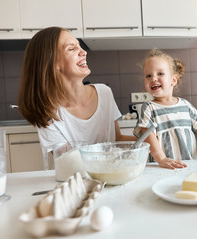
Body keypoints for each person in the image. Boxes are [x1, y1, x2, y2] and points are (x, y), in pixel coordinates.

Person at [18, 27, 136, 155]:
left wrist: (150, 141)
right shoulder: (47, 113)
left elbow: (116, 139)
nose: (84, 52)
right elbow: (70, 160)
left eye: (79, 46)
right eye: (72, 48)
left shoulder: (104, 93)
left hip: (108, 173)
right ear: (52, 63)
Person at [133, 49, 197, 169]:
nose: (153, 78)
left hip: (190, 164)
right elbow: (148, 135)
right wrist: (162, 159)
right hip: (163, 167)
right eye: (148, 75)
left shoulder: (185, 105)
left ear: (173, 80)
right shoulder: (149, 107)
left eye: (160, 74)